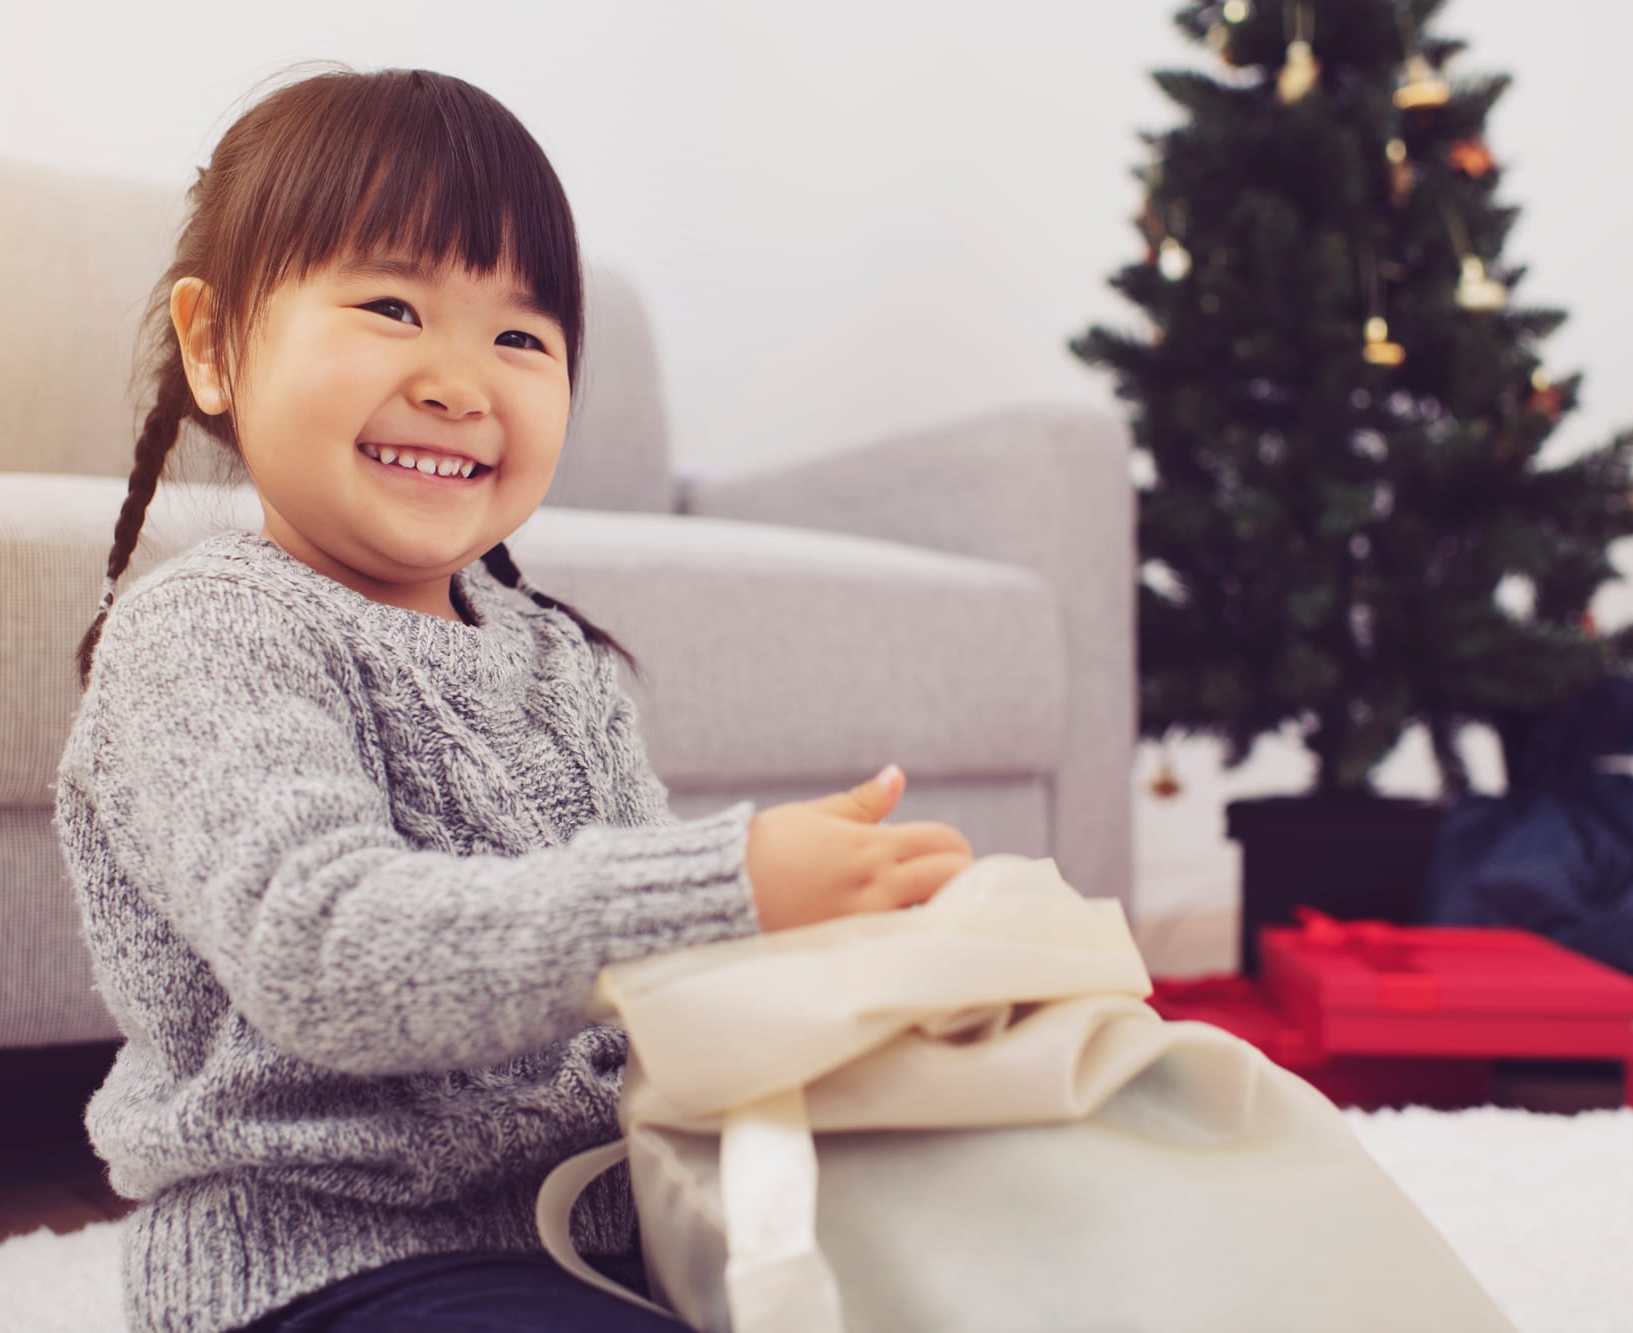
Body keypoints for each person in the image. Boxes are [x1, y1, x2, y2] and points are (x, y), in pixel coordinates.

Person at [51, 62, 974, 1333]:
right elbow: (324, 949)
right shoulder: (209, 633)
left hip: (623, 1241)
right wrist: (722, 885)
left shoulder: (558, 661)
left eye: (520, 336)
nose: (459, 380)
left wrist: (834, 945)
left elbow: (652, 981)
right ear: (213, 344)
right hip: (340, 1263)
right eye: (389, 304)